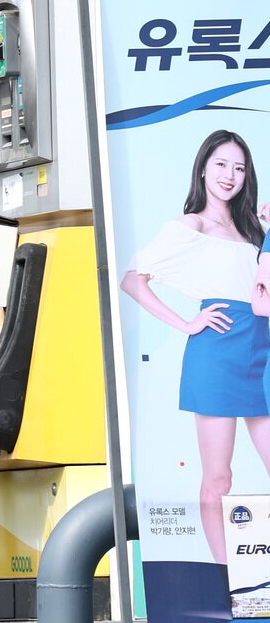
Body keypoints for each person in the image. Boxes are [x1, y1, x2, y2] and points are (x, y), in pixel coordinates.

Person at [121, 130, 270, 566]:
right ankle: (226, 576)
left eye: (239, 168)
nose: (230, 175)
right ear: (203, 167)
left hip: (260, 344)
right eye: (222, 164)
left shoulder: (251, 226)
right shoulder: (190, 225)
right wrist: (187, 323)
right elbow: (133, 279)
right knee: (219, 476)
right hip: (217, 350)